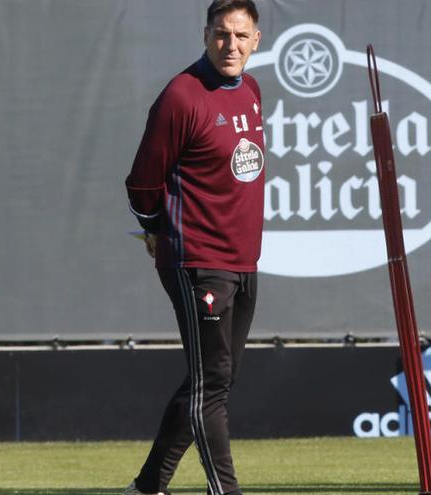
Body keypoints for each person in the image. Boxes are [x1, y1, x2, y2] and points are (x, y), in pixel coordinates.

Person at [123, 1, 264, 495]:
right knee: (211, 386)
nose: (232, 45)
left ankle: (147, 486)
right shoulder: (181, 96)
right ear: (205, 35)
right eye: (222, 34)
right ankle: (225, 490)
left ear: (257, 40)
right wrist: (155, 228)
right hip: (195, 259)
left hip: (243, 258)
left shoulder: (250, 89)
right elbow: (142, 181)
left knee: (214, 382)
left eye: (241, 36)